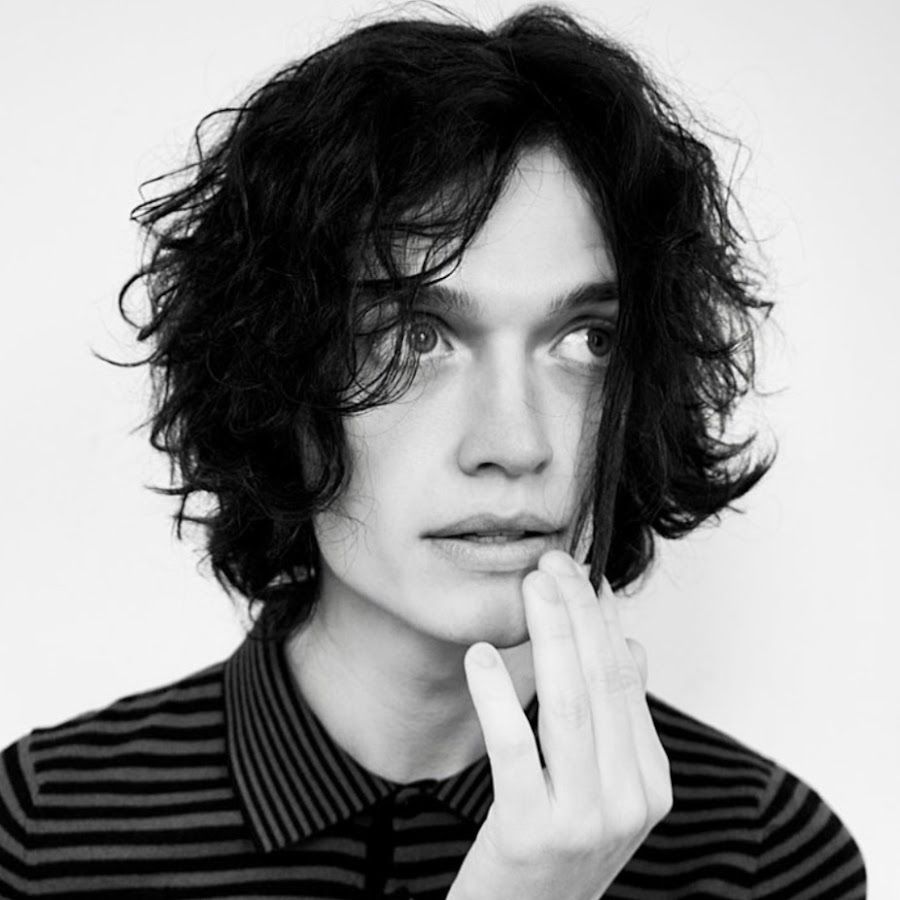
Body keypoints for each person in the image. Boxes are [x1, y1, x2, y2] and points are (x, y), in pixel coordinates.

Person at [0, 5, 866, 898]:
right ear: (278, 374)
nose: (514, 445)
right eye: (415, 337)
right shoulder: (40, 833)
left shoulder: (764, 855)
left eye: (587, 340)